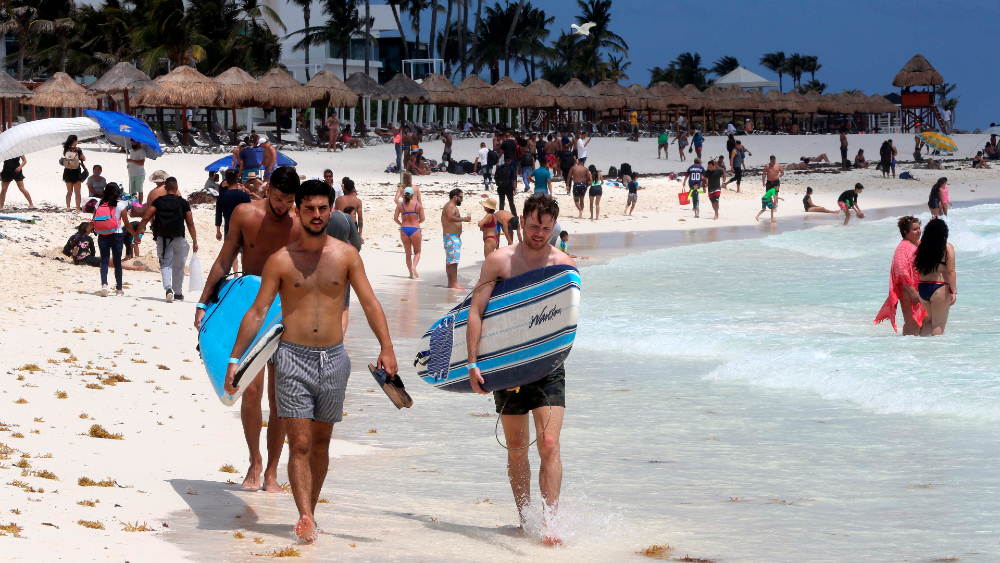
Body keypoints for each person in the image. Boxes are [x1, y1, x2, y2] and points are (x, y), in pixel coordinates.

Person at [224, 179, 398, 543]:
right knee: (300, 442)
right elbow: (257, 312)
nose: (316, 215)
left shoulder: (346, 256)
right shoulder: (281, 260)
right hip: (292, 357)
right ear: (297, 211)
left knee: (321, 443)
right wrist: (235, 358)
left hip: (334, 359)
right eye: (309, 208)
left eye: (322, 208)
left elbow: (369, 302)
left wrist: (386, 347)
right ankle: (304, 515)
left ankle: (311, 514)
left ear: (330, 211)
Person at [466, 194, 576, 544]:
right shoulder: (499, 261)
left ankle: (550, 524)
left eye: (546, 228)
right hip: (506, 364)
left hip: (547, 364)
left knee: (549, 442)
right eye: (533, 226)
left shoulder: (563, 265)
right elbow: (476, 311)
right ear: (522, 221)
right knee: (516, 446)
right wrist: (472, 362)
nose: (539, 233)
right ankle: (525, 520)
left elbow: (567, 319)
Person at [196, 166, 300, 493]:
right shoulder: (244, 214)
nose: (282, 206)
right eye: (278, 199)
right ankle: (254, 459)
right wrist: (203, 303)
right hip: (249, 309)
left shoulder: (298, 225)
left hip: (284, 312)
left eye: (289, 201)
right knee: (250, 390)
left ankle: (271, 471)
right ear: (267, 189)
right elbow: (224, 260)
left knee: (279, 397)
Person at [136, 177, 199, 302]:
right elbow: (190, 223)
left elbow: (146, 217)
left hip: (162, 238)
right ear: (176, 188)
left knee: (165, 263)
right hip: (178, 237)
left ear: (165, 188)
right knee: (179, 265)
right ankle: (178, 293)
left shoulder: (159, 201)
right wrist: (195, 241)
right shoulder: (183, 202)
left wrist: (137, 235)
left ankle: (168, 289)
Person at [874, 216, 926, 335]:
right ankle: (906, 345)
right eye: (915, 229)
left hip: (919, 289)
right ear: (905, 232)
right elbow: (901, 271)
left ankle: (920, 346)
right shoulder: (902, 248)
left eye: (919, 228)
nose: (919, 231)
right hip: (908, 290)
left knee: (923, 322)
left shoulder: (918, 243)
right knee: (911, 323)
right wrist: (912, 292)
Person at [91, 183, 141, 296]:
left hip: (103, 235)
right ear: (117, 193)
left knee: (104, 260)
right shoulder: (120, 205)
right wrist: (136, 236)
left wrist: (88, 229)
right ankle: (119, 289)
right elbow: (127, 225)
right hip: (117, 235)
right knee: (117, 262)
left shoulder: (99, 204)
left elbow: (94, 220)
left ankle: (104, 285)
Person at [914, 218, 956, 337]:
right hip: (939, 287)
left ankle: (921, 345)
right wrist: (954, 291)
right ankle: (936, 348)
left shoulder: (921, 249)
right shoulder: (946, 248)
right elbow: (951, 271)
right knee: (938, 325)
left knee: (930, 321)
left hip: (923, 288)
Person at [325, 209, 362, 333]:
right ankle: (339, 340)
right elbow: (357, 245)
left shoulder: (313, 217)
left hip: (318, 264)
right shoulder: (345, 217)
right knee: (343, 309)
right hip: (341, 266)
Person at [441, 188, 472, 290]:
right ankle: (454, 283)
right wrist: (463, 219)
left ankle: (451, 283)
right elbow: (449, 217)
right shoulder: (450, 205)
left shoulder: (451, 206)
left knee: (450, 260)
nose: (462, 199)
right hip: (451, 236)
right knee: (453, 261)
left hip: (451, 236)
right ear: (455, 196)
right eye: (461, 197)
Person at [393, 187, 424, 279]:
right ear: (412, 195)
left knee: (408, 253)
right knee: (417, 251)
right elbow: (423, 219)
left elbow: (395, 218)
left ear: (403, 195)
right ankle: (414, 266)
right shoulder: (418, 204)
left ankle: (411, 274)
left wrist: (401, 224)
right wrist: (417, 223)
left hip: (404, 229)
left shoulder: (400, 205)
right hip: (415, 229)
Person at [216, 170, 253, 241]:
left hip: (229, 228)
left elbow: (218, 214)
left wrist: (218, 231)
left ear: (227, 182)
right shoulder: (244, 196)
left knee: (229, 248)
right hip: (243, 229)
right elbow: (250, 214)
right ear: (237, 181)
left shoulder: (221, 197)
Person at [335, 178, 363, 243]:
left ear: (344, 188)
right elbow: (360, 218)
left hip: (342, 223)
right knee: (353, 246)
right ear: (354, 188)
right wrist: (360, 235)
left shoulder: (339, 200)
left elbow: (336, 215)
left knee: (342, 244)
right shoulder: (358, 201)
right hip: (353, 224)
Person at [63, 135, 86, 212]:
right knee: (77, 192)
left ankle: (68, 207)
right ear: (74, 141)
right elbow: (84, 158)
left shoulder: (66, 149)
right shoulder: (78, 149)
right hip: (76, 171)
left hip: (67, 171)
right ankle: (78, 208)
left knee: (69, 191)